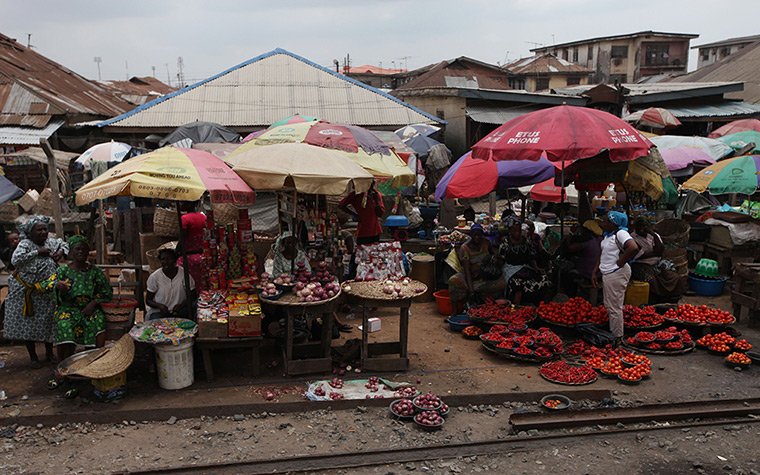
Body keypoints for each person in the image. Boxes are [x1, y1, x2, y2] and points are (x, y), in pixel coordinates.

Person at [46, 236, 113, 396]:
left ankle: (93, 365)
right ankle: (62, 369)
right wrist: (57, 286)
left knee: (97, 323)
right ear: (71, 251)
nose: (81, 252)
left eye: (84, 249)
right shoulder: (62, 271)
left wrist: (94, 303)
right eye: (77, 249)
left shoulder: (94, 271)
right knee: (64, 326)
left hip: (88, 309)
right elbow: (46, 285)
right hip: (68, 309)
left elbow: (107, 292)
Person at [3, 216, 68, 368]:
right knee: (29, 325)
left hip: (47, 292)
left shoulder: (51, 242)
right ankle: (33, 357)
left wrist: (60, 251)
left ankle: (49, 352)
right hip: (28, 293)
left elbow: (64, 243)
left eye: (45, 229)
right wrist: (37, 252)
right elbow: (16, 260)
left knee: (48, 322)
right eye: (39, 230)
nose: (44, 232)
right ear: (31, 233)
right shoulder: (25, 244)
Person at [593, 211, 639, 346]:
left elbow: (633, 247)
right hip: (609, 273)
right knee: (610, 305)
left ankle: (617, 338)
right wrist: (595, 271)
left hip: (616, 273)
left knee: (614, 307)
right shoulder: (608, 236)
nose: (603, 223)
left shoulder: (621, 233)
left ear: (614, 223)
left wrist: (621, 262)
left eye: (606, 221)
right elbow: (603, 254)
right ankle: (614, 333)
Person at [447, 223, 506, 316]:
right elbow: (466, 270)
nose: (477, 237)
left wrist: (494, 258)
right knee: (453, 281)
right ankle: (454, 312)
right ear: (471, 235)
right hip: (470, 275)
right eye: (475, 235)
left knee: (502, 283)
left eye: (479, 235)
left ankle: (487, 303)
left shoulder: (486, 242)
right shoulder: (465, 248)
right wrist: (471, 292)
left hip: (484, 274)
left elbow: (492, 253)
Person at [498, 215, 550, 305]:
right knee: (517, 284)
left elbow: (531, 255)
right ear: (510, 231)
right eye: (514, 231)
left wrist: (535, 267)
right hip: (511, 269)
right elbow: (502, 258)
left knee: (544, 278)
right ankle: (516, 309)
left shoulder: (526, 240)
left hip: (525, 267)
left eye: (519, 231)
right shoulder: (506, 242)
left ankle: (542, 306)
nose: (517, 233)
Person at [630, 218, 682, 301]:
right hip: (641, 264)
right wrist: (655, 253)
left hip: (657, 263)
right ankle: (657, 298)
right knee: (651, 279)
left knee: (673, 276)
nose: (642, 229)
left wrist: (654, 236)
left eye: (644, 226)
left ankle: (670, 296)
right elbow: (639, 256)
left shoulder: (654, 235)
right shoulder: (633, 237)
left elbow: (660, 250)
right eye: (639, 226)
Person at [145, 248, 196, 320]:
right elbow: (148, 300)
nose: (166, 262)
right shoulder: (155, 277)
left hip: (179, 311)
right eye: (163, 259)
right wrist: (160, 306)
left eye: (169, 259)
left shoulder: (183, 274)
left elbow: (193, 295)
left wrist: (181, 305)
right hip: (160, 313)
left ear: (175, 261)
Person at [561, 220, 603, 297]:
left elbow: (569, 248)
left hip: (588, 274)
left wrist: (571, 233)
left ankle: (570, 296)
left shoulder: (587, 242)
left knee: (565, 274)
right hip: (599, 273)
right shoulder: (600, 239)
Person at [177, 202, 206, 286]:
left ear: (189, 204)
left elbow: (182, 239)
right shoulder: (203, 217)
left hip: (188, 258)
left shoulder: (184, 219)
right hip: (203, 256)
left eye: (182, 202)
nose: (180, 204)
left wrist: (176, 252)